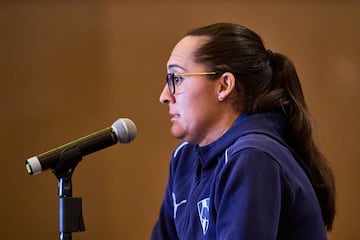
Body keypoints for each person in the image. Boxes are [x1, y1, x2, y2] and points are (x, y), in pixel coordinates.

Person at [151, 23, 336, 240]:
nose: (164, 96)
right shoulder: (184, 157)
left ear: (224, 85)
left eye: (177, 79)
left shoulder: (252, 156)